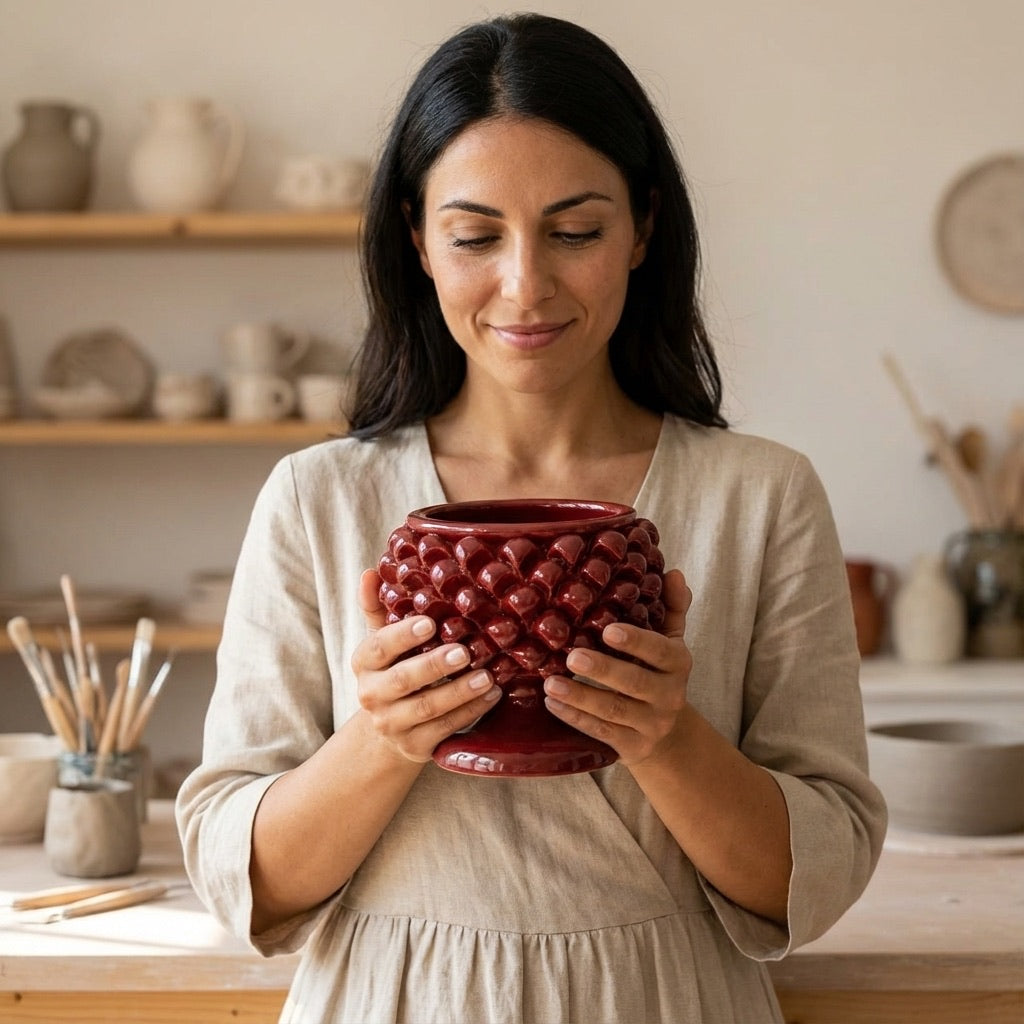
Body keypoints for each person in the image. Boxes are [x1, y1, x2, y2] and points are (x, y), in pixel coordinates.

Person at [176, 12, 887, 1023]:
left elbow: (812, 876)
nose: (525, 283)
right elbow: (237, 875)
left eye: (575, 230)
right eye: (474, 235)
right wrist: (381, 737)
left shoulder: (759, 497)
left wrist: (664, 736)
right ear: (416, 240)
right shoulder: (318, 499)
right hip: (391, 999)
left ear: (643, 228)